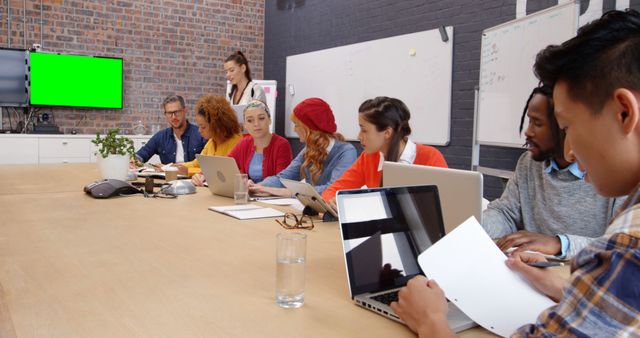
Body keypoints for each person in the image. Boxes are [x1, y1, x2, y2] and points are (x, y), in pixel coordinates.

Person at [391, 9, 640, 337]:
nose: (569, 151)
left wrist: (431, 322)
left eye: (568, 127)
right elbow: (506, 210)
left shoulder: (630, 242)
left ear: (625, 112)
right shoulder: (534, 168)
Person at [482, 85, 623, 259]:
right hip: (531, 270)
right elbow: (505, 213)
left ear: (564, 127)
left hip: (582, 275)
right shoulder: (528, 163)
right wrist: (470, 226)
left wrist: (559, 243)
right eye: (529, 121)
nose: (528, 131)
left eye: (537, 123)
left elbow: (622, 246)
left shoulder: (614, 174)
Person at [322, 96, 447, 204]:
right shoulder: (368, 158)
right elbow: (331, 192)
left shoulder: (430, 157)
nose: (359, 136)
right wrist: (333, 201)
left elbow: (447, 205)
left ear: (387, 132)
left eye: (364, 130)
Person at [251, 97, 357, 197]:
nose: (294, 130)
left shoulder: (346, 152)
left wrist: (289, 192)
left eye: (296, 125)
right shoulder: (308, 150)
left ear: (309, 128)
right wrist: (258, 187)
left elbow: (333, 189)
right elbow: (283, 179)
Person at [224, 100, 292, 185]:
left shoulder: (281, 144)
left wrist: (255, 187)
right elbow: (225, 165)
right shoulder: (243, 143)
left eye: (261, 118)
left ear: (270, 120)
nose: (256, 124)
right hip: (249, 195)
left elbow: (283, 181)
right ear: (245, 124)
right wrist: (203, 175)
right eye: (250, 120)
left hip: (272, 196)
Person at [177, 95, 243, 178]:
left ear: (216, 125)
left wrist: (188, 171)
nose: (199, 130)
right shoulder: (212, 141)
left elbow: (219, 172)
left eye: (203, 127)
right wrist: (173, 167)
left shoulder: (236, 142)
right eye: (199, 126)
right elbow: (196, 164)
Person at [134, 95, 206, 165]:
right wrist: (134, 161)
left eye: (176, 112)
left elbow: (210, 164)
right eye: (169, 113)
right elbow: (142, 154)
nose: (173, 117)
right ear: (165, 114)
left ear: (185, 111)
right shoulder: (161, 136)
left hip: (193, 176)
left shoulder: (201, 134)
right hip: (169, 177)